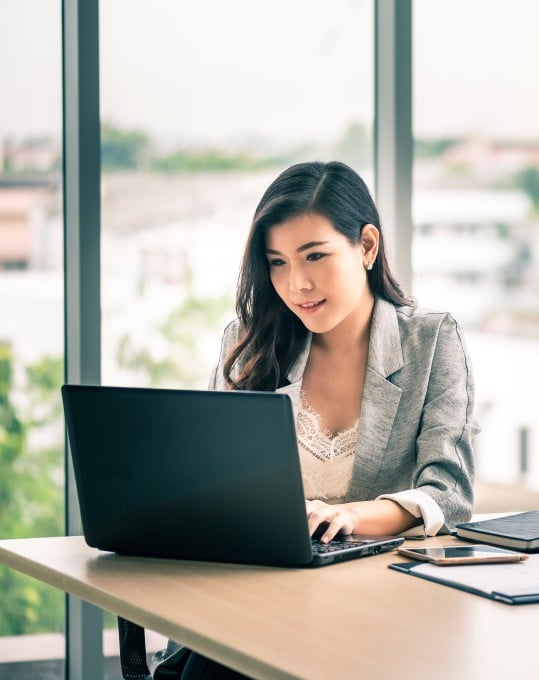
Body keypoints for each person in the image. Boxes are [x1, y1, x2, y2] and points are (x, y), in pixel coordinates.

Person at [151, 160, 477, 679]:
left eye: (315, 256)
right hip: (254, 604)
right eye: (277, 262)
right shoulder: (248, 345)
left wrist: (351, 518)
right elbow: (219, 490)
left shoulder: (430, 343)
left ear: (367, 246)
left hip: (375, 613)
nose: (296, 283)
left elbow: (449, 494)